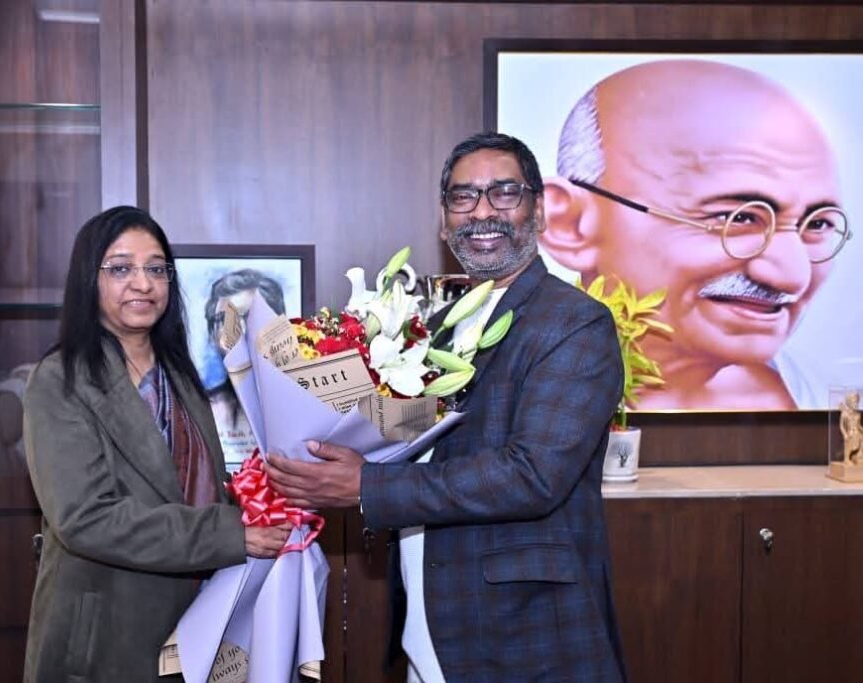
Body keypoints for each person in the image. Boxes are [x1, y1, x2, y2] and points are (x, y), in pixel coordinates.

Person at [266, 132, 627, 681]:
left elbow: (533, 475)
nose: (482, 212)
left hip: (525, 638)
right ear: (443, 219)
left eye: (504, 192)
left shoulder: (574, 323)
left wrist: (367, 486)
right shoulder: (433, 328)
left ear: (539, 210)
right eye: (463, 196)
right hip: (433, 629)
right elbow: (409, 443)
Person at [22, 206, 291, 682]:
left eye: (156, 269)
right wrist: (229, 535)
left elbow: (195, 486)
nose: (143, 284)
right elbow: (85, 518)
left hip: (195, 617)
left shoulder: (179, 373)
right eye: (120, 269)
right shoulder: (60, 379)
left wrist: (273, 501)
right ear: (88, 279)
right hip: (105, 632)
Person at [538, 59, 852, 410]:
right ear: (569, 224)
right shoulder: (530, 395)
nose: (793, 276)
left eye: (817, 225)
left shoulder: (825, 403)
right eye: (739, 218)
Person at [202, 269, 286, 466]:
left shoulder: (304, 406)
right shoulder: (201, 409)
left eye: (249, 317)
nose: (235, 331)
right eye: (223, 319)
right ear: (212, 334)